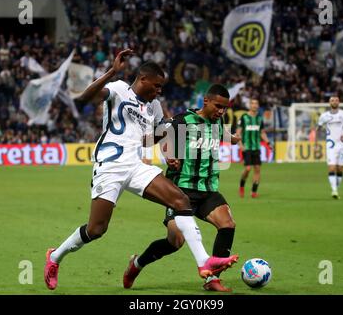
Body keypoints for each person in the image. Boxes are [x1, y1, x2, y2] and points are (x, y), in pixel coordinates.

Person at [43, 50, 238, 290]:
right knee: (96, 229)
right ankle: (54, 257)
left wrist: (168, 154)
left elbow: (156, 137)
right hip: (110, 166)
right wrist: (113, 71)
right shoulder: (118, 89)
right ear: (143, 79)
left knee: (180, 200)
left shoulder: (154, 106)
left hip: (136, 166)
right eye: (156, 86)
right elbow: (85, 98)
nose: (159, 91)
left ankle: (204, 263)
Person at [122, 84, 241, 292]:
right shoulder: (183, 120)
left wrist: (234, 138)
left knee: (227, 224)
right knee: (175, 241)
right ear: (206, 101)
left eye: (224, 108)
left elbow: (221, 134)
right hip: (180, 192)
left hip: (208, 189)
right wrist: (169, 156)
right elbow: (163, 138)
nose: (221, 111)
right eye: (218, 106)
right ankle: (137, 264)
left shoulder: (218, 121)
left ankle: (212, 279)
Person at [314, 96, 343, 199]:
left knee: (340, 169)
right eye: (332, 100)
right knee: (331, 167)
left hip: (341, 145)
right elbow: (317, 130)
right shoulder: (324, 116)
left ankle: (336, 188)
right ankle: (334, 191)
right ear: (329, 103)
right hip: (330, 145)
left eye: (336, 100)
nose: (334, 102)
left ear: (339, 102)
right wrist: (316, 144)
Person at [236, 99, 270, 199]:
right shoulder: (244, 117)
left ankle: (254, 191)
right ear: (249, 105)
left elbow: (262, 132)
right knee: (247, 168)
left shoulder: (259, 118)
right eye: (253, 103)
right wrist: (240, 144)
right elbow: (238, 132)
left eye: (256, 103)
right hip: (247, 147)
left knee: (257, 169)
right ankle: (242, 186)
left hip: (256, 147)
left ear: (258, 106)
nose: (254, 105)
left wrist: (267, 142)